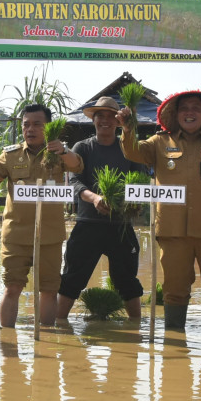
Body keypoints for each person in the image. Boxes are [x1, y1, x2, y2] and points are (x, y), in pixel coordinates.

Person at [117, 90, 201, 332]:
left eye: (196, 108)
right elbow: (133, 151)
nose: (190, 113)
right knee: (174, 291)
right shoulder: (159, 143)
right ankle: (174, 348)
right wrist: (127, 128)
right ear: (175, 115)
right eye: (184, 108)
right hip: (173, 230)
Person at [0, 103, 83, 328]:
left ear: (48, 127)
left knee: (49, 289)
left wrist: (62, 151)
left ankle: (47, 342)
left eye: (37, 124)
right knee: (12, 287)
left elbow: (78, 166)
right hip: (16, 235)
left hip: (49, 236)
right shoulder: (11, 155)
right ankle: (7, 343)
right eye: (26, 125)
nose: (30, 129)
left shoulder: (59, 153)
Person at [56, 96, 149, 321]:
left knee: (127, 279)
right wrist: (96, 199)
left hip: (121, 226)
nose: (105, 120)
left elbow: (140, 180)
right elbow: (75, 182)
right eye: (100, 116)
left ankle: (136, 327)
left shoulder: (129, 149)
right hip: (88, 224)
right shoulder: (83, 148)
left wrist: (130, 204)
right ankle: (59, 326)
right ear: (94, 120)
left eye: (110, 116)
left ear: (118, 121)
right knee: (72, 277)